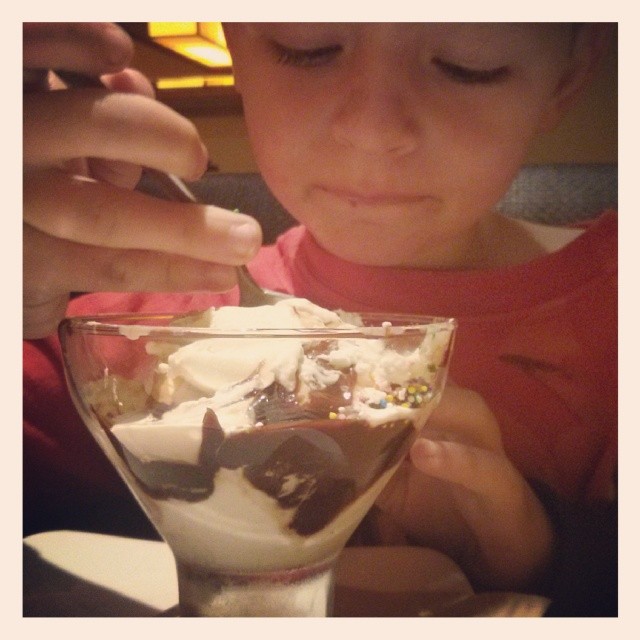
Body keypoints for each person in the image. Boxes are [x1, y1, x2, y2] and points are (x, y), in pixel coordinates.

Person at [23, 22, 617, 615]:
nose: (372, 128)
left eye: (469, 64)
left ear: (567, 78)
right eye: (306, 48)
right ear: (235, 53)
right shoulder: (136, 334)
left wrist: (552, 557)